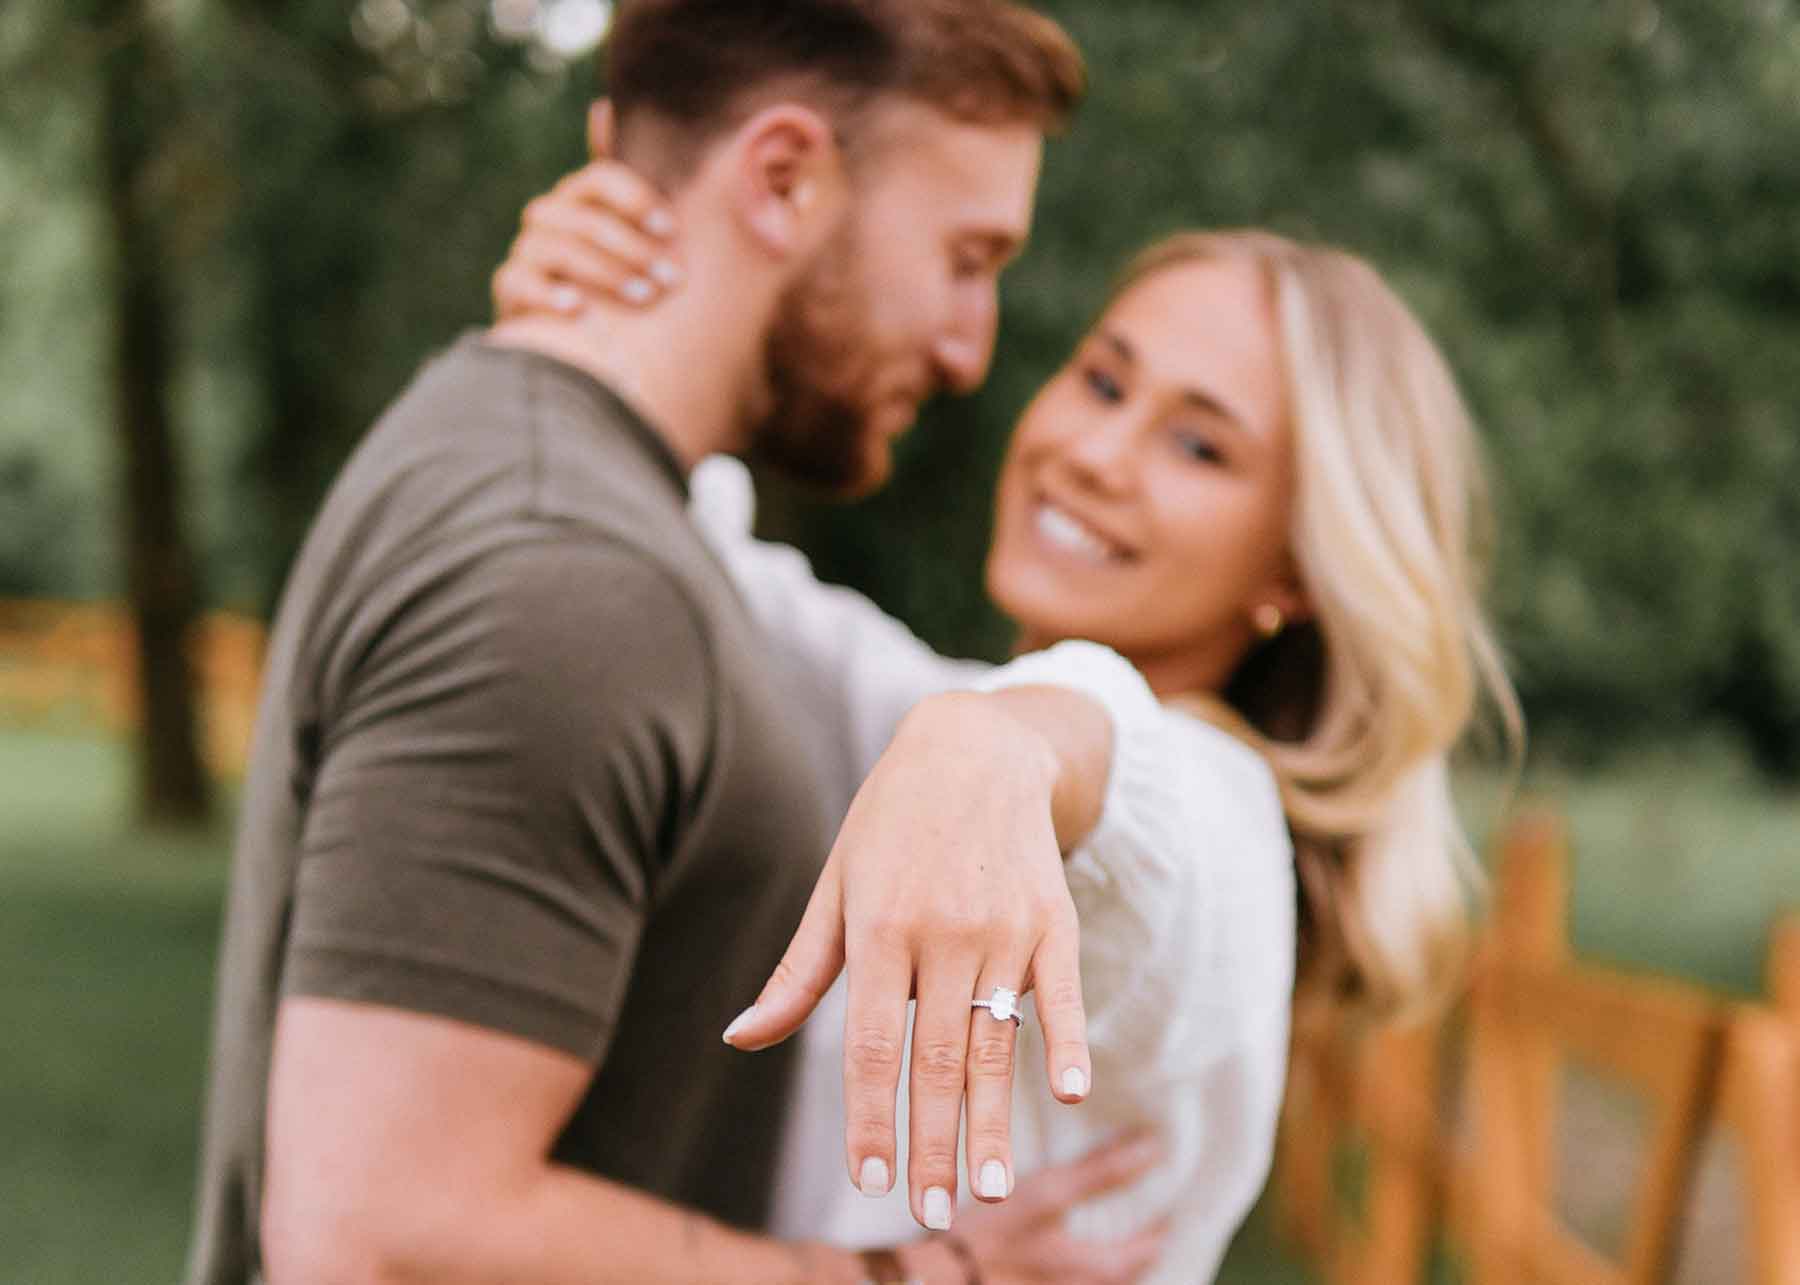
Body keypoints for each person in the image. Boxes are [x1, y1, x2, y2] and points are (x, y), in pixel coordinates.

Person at [183, 4, 1175, 1283]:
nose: (968, 347)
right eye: (964, 257)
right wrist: (914, 1276)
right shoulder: (567, 571)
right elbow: (378, 1233)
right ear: (781, 179)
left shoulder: (547, 476)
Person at [492, 161, 1525, 1279]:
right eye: (1102, 381)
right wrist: (586, 324)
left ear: (1297, 569)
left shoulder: (1221, 831)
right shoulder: (927, 707)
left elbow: (1138, 785)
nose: (1094, 453)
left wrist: (1007, 744)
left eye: (1200, 447)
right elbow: (736, 580)